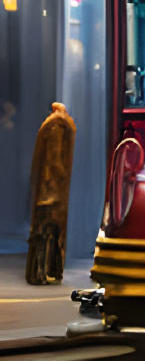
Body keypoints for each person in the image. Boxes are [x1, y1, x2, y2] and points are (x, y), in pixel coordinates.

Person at [25, 99, 74, 285]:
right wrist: (59, 174)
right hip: (53, 188)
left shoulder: (51, 123)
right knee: (48, 230)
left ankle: (43, 272)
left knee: (44, 230)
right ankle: (43, 272)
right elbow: (54, 157)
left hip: (49, 186)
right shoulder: (58, 125)